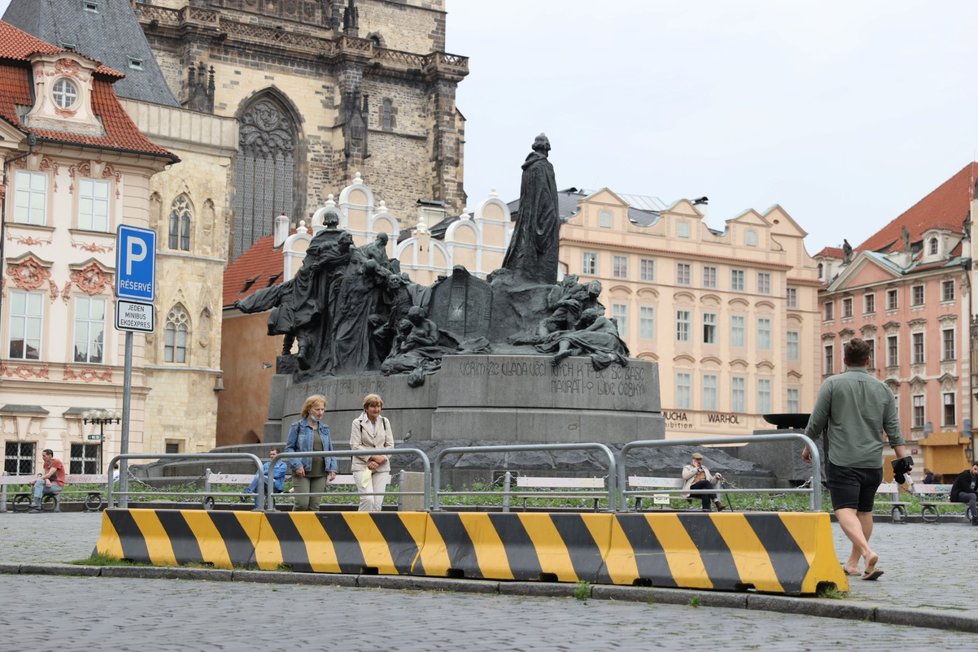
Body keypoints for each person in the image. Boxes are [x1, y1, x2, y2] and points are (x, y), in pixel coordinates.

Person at [803, 337, 909, 580]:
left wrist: (807, 445)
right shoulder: (882, 389)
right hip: (873, 462)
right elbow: (893, 428)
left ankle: (866, 551)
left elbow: (817, 420)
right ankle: (852, 563)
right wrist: (904, 458)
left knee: (844, 511)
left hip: (843, 460)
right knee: (864, 512)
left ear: (844, 360)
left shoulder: (832, 384)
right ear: (868, 360)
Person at [501, 133, 560, 284]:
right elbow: (546, 194)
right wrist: (551, 215)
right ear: (547, 148)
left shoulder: (528, 167)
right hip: (543, 213)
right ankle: (538, 278)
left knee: (524, 241)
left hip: (527, 214)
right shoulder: (544, 166)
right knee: (543, 249)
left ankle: (526, 273)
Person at [284, 394, 338, 511]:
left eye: (322, 409)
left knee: (314, 506)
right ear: (309, 409)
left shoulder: (324, 428)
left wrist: (333, 468)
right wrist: (297, 465)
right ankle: (293, 528)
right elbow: (289, 448)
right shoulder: (297, 426)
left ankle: (309, 529)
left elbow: (330, 450)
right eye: (317, 409)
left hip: (320, 472)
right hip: (302, 472)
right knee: (302, 504)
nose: (320, 412)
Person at [350, 393, 395, 512]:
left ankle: (373, 530)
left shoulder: (385, 422)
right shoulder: (357, 423)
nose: (377, 409)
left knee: (377, 504)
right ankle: (360, 528)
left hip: (382, 467)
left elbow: (390, 445)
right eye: (373, 406)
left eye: (379, 406)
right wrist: (372, 457)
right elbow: (355, 446)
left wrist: (382, 459)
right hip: (363, 467)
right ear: (366, 407)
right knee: (368, 499)